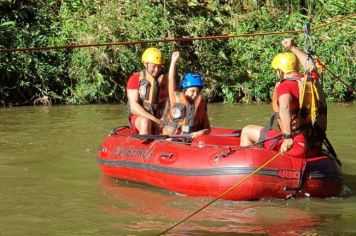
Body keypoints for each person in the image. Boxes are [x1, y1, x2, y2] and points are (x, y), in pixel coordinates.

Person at [240, 38, 327, 156]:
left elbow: (284, 108)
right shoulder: (310, 81)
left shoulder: (285, 87)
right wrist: (293, 47)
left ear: (280, 70)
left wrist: (287, 137)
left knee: (247, 130)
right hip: (315, 144)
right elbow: (310, 65)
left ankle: (249, 163)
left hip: (297, 145)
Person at [162, 51, 211, 139]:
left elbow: (208, 129)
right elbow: (171, 80)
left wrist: (201, 132)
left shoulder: (200, 104)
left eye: (197, 92)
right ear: (185, 90)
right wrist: (173, 62)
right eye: (192, 91)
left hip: (190, 139)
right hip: (173, 137)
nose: (195, 94)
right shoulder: (175, 98)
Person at [126, 47, 168, 135]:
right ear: (145, 64)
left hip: (161, 118)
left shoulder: (166, 80)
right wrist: (155, 120)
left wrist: (165, 120)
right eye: (154, 66)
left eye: (159, 67)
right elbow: (134, 107)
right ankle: (144, 143)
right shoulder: (135, 79)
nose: (157, 70)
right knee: (145, 122)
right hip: (141, 118)